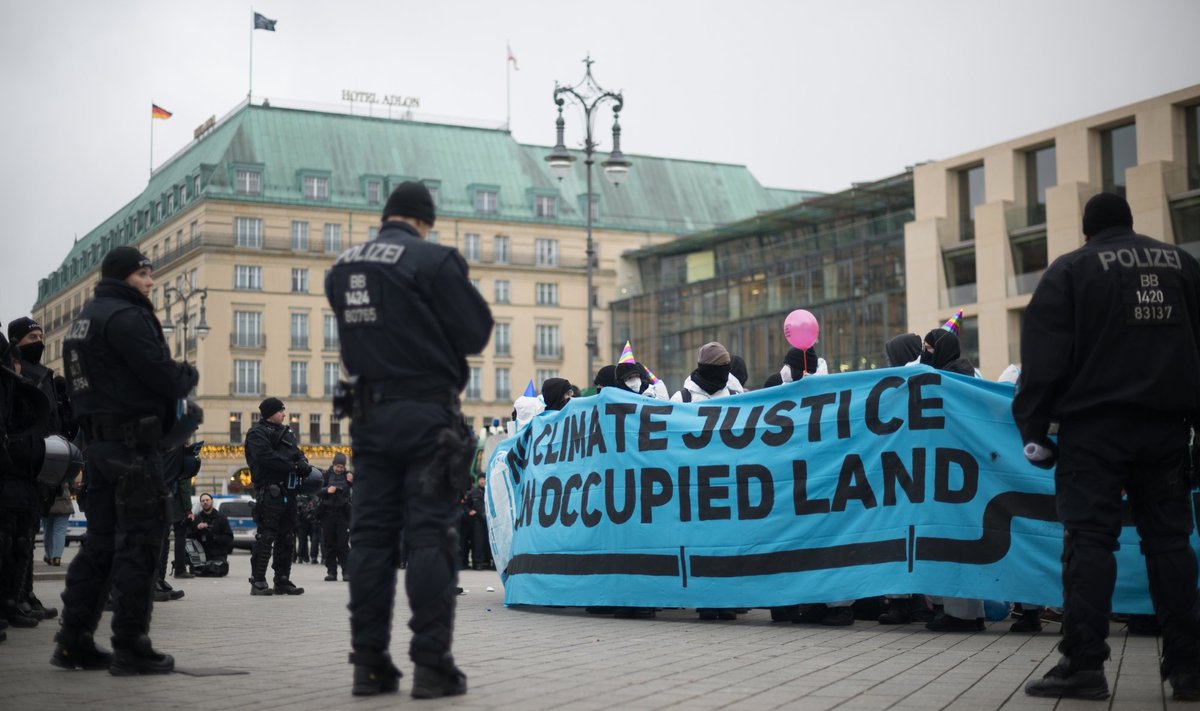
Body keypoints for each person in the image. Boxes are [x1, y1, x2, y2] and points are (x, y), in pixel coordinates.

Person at [1014, 192, 1200, 701]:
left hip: (1093, 432)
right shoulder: (1181, 264)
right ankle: (1189, 667)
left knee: (1090, 543)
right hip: (1166, 428)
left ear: (1087, 231)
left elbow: (1044, 356)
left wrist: (1033, 429)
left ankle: (1083, 664)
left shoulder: (1071, 270)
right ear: (1131, 223)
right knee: (1169, 542)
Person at [326, 180, 492, 697]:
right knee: (429, 535)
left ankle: (369, 665)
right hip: (426, 415)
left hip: (370, 419)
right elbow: (476, 332)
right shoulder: (431, 259)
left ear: (386, 216)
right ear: (424, 220)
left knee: (371, 539)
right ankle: (430, 664)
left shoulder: (344, 267)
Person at [53, 246, 198, 674]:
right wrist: (186, 376)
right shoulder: (127, 316)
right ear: (126, 276)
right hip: (134, 447)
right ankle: (131, 645)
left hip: (98, 447)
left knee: (99, 544)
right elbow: (159, 373)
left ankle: (73, 640)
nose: (151, 281)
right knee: (140, 544)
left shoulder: (82, 322)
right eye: (144, 274)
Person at [244, 397, 307, 596]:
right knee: (267, 534)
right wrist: (293, 466)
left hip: (288, 491)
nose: (284, 414)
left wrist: (303, 463)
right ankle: (259, 580)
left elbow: (297, 453)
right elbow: (266, 457)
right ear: (271, 413)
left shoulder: (286, 432)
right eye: (281, 411)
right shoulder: (256, 433)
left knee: (287, 536)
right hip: (269, 490)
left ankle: (282, 579)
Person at [671, 342, 744, 404]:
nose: (728, 368)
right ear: (709, 367)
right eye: (724, 363)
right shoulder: (681, 400)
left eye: (728, 363)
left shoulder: (735, 398)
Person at [320, 452, 352, 582]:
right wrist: (326, 491)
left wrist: (352, 482)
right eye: (337, 466)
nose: (339, 469)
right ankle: (331, 572)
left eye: (341, 467)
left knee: (343, 545)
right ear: (333, 465)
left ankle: (346, 572)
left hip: (342, 514)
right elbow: (316, 491)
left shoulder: (348, 476)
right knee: (329, 544)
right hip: (328, 514)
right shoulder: (326, 476)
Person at [187, 493, 233, 574]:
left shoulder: (221, 518)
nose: (205, 502)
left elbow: (229, 538)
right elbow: (189, 536)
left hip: (218, 555)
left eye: (207, 500)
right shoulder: (197, 518)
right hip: (201, 555)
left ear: (212, 501)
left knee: (214, 570)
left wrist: (213, 536)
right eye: (203, 501)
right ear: (200, 503)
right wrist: (197, 529)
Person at [43, 481, 73, 566]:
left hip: (47, 500)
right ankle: (56, 557)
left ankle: (49, 556)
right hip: (63, 500)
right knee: (60, 531)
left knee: (48, 531)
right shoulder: (64, 468)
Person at [465, 475, 490, 570]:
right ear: (478, 481)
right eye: (481, 479)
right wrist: (469, 511)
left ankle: (487, 562)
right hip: (477, 521)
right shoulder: (473, 492)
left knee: (488, 543)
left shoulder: (489, 491)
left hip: (488, 522)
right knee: (478, 543)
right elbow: (466, 504)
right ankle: (478, 563)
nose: (482, 481)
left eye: (484, 479)